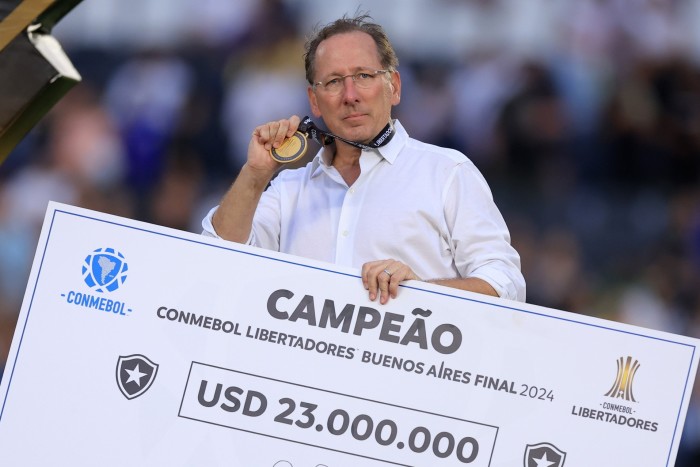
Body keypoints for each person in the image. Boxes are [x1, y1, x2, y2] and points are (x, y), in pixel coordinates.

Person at [202, 13, 525, 305]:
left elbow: (505, 285)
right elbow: (215, 257)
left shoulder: (447, 172)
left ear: (394, 87)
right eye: (333, 82)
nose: (350, 95)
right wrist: (255, 173)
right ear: (314, 101)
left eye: (364, 76)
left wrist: (422, 291)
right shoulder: (288, 188)